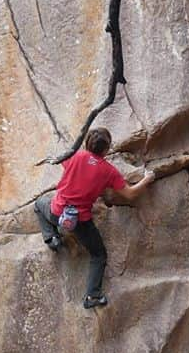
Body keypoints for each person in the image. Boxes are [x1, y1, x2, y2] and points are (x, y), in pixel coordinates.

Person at [34, 127, 154, 309]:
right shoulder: (108, 171)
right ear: (106, 150)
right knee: (98, 254)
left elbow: (62, 160)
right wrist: (147, 179)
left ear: (87, 143)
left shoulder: (75, 156)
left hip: (57, 211)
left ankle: (51, 238)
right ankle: (92, 295)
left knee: (39, 204)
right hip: (79, 221)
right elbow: (130, 194)